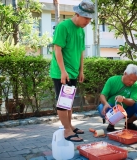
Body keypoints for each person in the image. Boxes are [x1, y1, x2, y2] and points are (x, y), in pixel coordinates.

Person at [49, 0, 95, 142]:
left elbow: (81, 51)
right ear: (77, 14)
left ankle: (70, 125)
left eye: (89, 18)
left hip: (74, 72)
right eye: (85, 17)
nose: (88, 21)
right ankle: (66, 130)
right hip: (62, 72)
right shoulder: (63, 26)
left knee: (68, 102)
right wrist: (63, 71)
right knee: (63, 102)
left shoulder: (81, 31)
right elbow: (57, 49)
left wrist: (81, 70)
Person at [98, 64, 137, 131]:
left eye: (134, 81)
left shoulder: (136, 85)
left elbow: (132, 102)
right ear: (125, 73)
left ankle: (129, 123)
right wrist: (105, 103)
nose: (131, 82)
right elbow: (103, 95)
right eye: (130, 79)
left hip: (127, 109)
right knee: (101, 108)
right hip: (112, 108)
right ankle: (111, 124)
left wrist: (123, 99)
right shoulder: (112, 80)